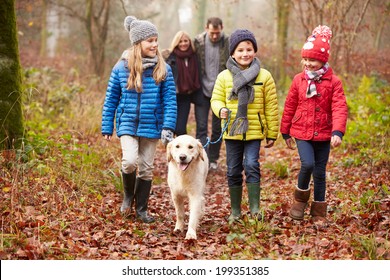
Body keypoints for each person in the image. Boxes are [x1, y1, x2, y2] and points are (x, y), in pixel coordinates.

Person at [101, 16, 177, 223]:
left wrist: (168, 127)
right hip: (127, 123)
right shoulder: (121, 68)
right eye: (150, 41)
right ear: (137, 43)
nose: (155, 44)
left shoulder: (163, 69)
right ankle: (128, 197)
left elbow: (170, 100)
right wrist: (107, 125)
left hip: (152, 125)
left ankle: (141, 209)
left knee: (145, 166)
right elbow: (111, 99)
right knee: (129, 161)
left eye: (156, 40)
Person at [280, 25, 348, 225]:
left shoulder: (334, 82)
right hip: (302, 131)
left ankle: (319, 211)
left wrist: (337, 131)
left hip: (325, 133)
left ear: (323, 60)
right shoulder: (298, 80)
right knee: (307, 164)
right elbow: (290, 104)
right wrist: (285, 131)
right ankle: (300, 201)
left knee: (319, 172)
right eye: (306, 59)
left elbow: (339, 107)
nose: (308, 64)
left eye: (313, 60)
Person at [211, 29, 279, 221]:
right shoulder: (224, 77)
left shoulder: (264, 76)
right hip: (232, 130)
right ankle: (235, 211)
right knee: (233, 169)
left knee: (251, 165)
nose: (245, 53)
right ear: (232, 53)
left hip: (254, 130)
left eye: (249, 49)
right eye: (240, 50)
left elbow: (271, 106)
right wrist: (220, 109)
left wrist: (272, 133)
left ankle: (255, 209)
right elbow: (216, 99)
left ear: (254, 51)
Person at [194, 17, 230, 170]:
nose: (214, 36)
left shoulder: (228, 42)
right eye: (212, 32)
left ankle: (213, 159)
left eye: (217, 32)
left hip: (220, 92)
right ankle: (202, 159)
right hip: (202, 90)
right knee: (201, 127)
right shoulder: (198, 42)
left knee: (217, 128)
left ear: (221, 28)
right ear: (206, 28)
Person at [165, 31, 201, 136]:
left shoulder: (194, 57)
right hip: (172, 96)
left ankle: (182, 149)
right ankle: (172, 149)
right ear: (176, 43)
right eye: (180, 41)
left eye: (186, 41)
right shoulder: (170, 57)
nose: (183, 43)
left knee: (180, 128)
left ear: (190, 42)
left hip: (185, 97)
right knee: (171, 127)